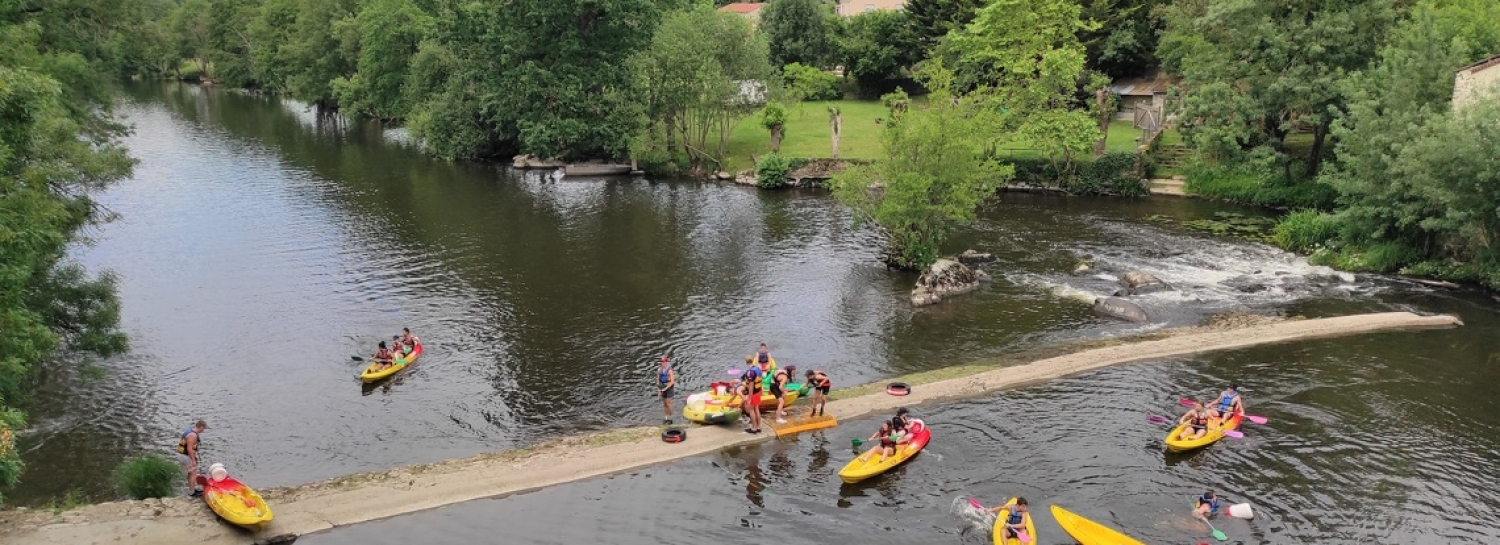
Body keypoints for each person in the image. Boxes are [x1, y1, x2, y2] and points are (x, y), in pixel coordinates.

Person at [175, 420, 208, 497]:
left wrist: (194, 456)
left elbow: (190, 449)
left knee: (190, 473)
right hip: (185, 456)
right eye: (204, 428)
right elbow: (189, 449)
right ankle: (192, 492)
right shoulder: (193, 435)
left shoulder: (189, 431)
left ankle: (191, 490)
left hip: (182, 455)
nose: (204, 430)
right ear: (201, 427)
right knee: (193, 474)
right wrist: (193, 460)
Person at [738, 358, 763, 434]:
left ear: (746, 362)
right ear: (752, 361)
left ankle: (754, 428)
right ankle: (758, 427)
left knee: (751, 410)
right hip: (759, 391)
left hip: (754, 393)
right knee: (756, 409)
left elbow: (751, 386)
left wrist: (749, 398)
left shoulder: (750, 372)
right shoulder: (758, 368)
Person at [657, 356, 676, 425]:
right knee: (664, 404)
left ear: (666, 362)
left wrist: (666, 388)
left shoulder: (669, 370)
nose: (663, 363)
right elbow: (658, 380)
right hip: (663, 387)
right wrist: (659, 389)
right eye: (662, 362)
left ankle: (671, 416)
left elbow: (672, 381)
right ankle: (666, 418)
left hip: (669, 388)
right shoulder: (659, 370)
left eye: (664, 362)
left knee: (668, 403)